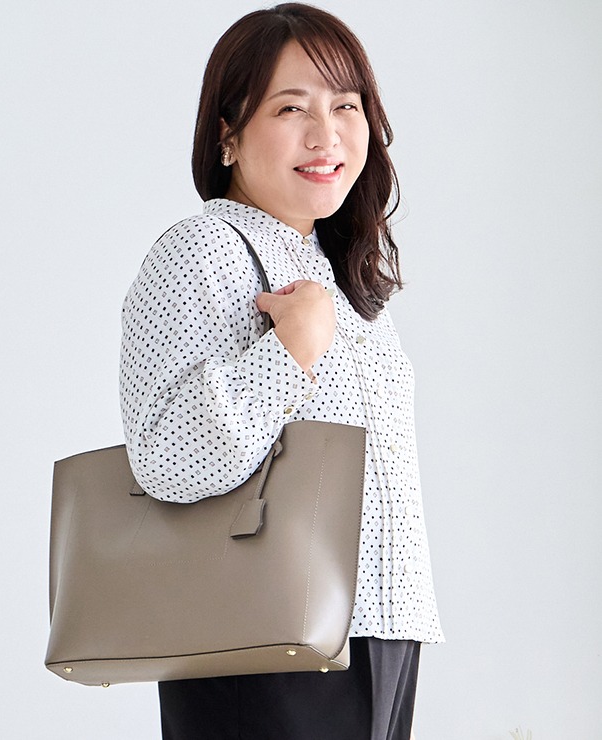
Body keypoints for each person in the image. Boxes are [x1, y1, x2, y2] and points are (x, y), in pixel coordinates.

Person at [119, 3, 444, 738]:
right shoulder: (202, 250)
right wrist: (289, 352)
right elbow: (165, 459)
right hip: (264, 633)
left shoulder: (340, 275)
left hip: (380, 627)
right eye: (291, 107)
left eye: (346, 105)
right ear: (227, 134)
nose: (326, 135)